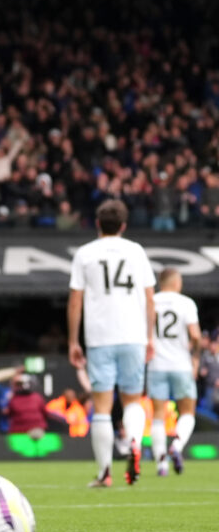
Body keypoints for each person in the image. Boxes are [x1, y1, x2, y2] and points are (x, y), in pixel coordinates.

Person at [68, 199, 155, 488]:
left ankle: (105, 473)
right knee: (133, 400)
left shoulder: (85, 254)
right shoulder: (136, 251)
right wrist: (150, 337)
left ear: (97, 224)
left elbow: (75, 301)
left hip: (99, 337)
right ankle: (133, 442)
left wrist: (73, 340)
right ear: (124, 226)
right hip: (133, 336)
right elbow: (150, 299)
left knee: (102, 408)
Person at [147, 268, 201, 476]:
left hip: (156, 365)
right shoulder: (186, 303)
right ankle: (176, 446)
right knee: (187, 412)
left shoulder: (151, 301)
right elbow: (195, 335)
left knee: (158, 415)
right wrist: (195, 358)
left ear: (161, 282)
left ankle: (161, 464)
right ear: (177, 282)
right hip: (181, 365)